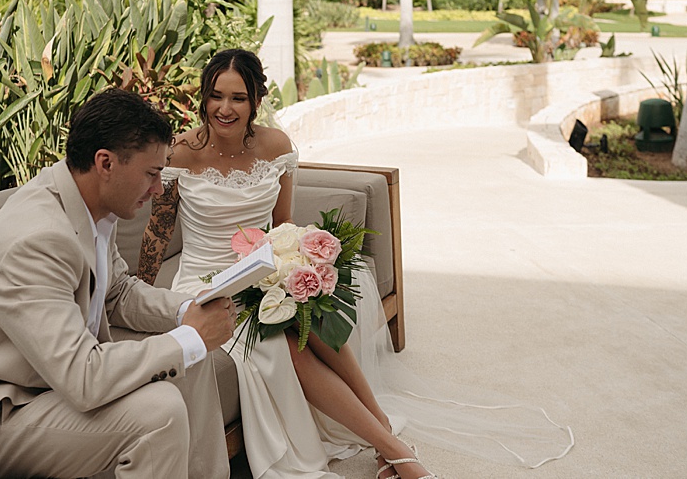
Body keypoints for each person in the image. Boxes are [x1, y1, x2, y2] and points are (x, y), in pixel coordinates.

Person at [140, 48, 572, 479]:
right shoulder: (180, 153)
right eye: (216, 96)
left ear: (255, 100)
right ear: (204, 98)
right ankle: (394, 449)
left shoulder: (276, 145)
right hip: (206, 285)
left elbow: (283, 224)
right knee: (287, 342)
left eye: (238, 97)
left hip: (262, 273)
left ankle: (384, 432)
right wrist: (135, 300)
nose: (225, 108)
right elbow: (156, 234)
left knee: (313, 317)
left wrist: (292, 269)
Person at [0, 88, 238, 479]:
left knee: (194, 358)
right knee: (160, 410)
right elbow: (84, 378)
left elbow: (117, 293)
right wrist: (190, 337)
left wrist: (187, 313)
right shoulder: (36, 240)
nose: (159, 189)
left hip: (48, 380)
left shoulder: (87, 204)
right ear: (105, 163)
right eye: (151, 173)